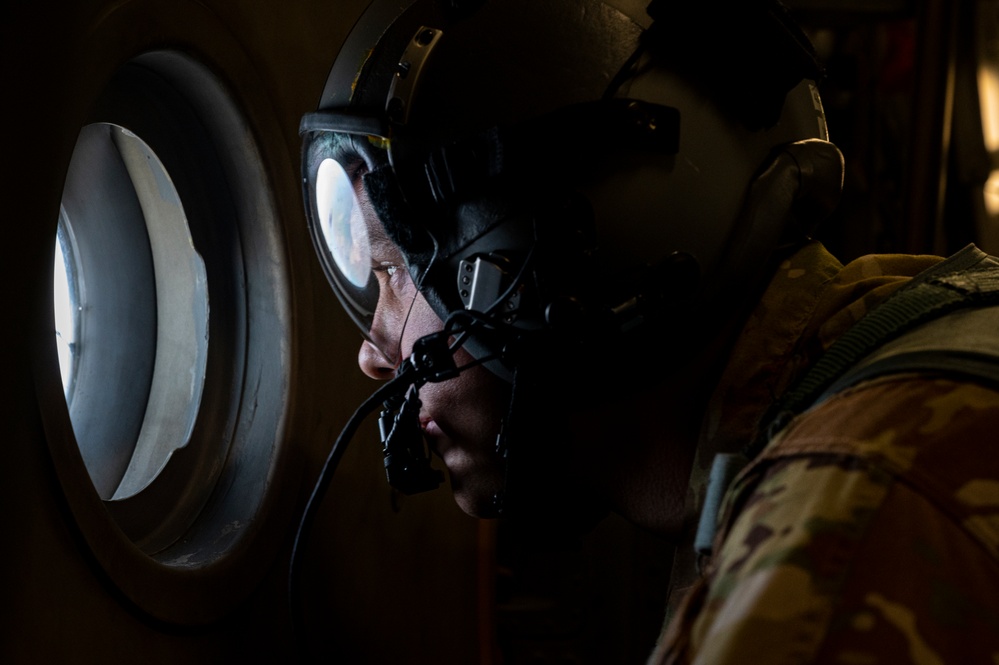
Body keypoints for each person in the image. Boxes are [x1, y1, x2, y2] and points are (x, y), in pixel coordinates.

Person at [299, 0, 999, 661]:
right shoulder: (890, 348)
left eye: (395, 273)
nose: (372, 350)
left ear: (568, 262)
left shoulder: (837, 535)